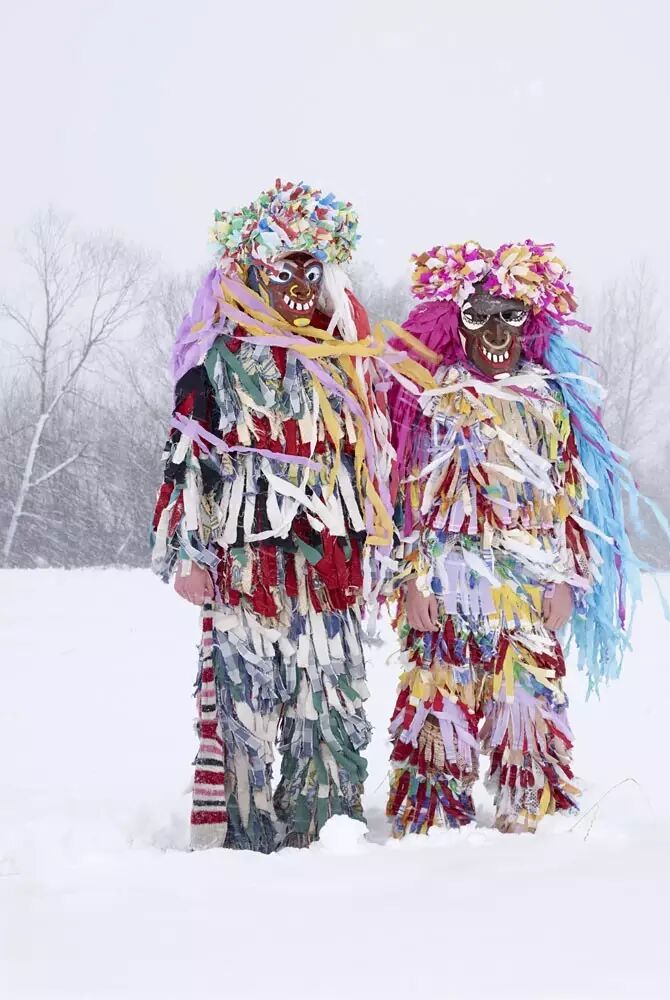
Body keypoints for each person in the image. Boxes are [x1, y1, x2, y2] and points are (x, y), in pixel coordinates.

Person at [151, 180, 429, 851]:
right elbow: (187, 461)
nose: (299, 287)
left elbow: (379, 469)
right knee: (245, 707)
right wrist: (189, 553)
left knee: (327, 702)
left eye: (311, 272)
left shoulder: (352, 366)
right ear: (254, 273)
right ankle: (245, 837)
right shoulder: (218, 365)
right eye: (283, 271)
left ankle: (323, 831)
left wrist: (394, 561)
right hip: (248, 570)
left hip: (330, 571)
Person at [385, 239, 646, 836]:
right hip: (447, 584)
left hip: (527, 588)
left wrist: (566, 579)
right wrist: (412, 581)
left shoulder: (548, 401)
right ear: (455, 322)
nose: (497, 331)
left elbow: (568, 499)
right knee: (437, 699)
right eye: (479, 316)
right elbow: (408, 497)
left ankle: (529, 814)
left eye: (511, 315)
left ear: (531, 323)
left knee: (527, 700)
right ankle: (433, 817)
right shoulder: (435, 397)